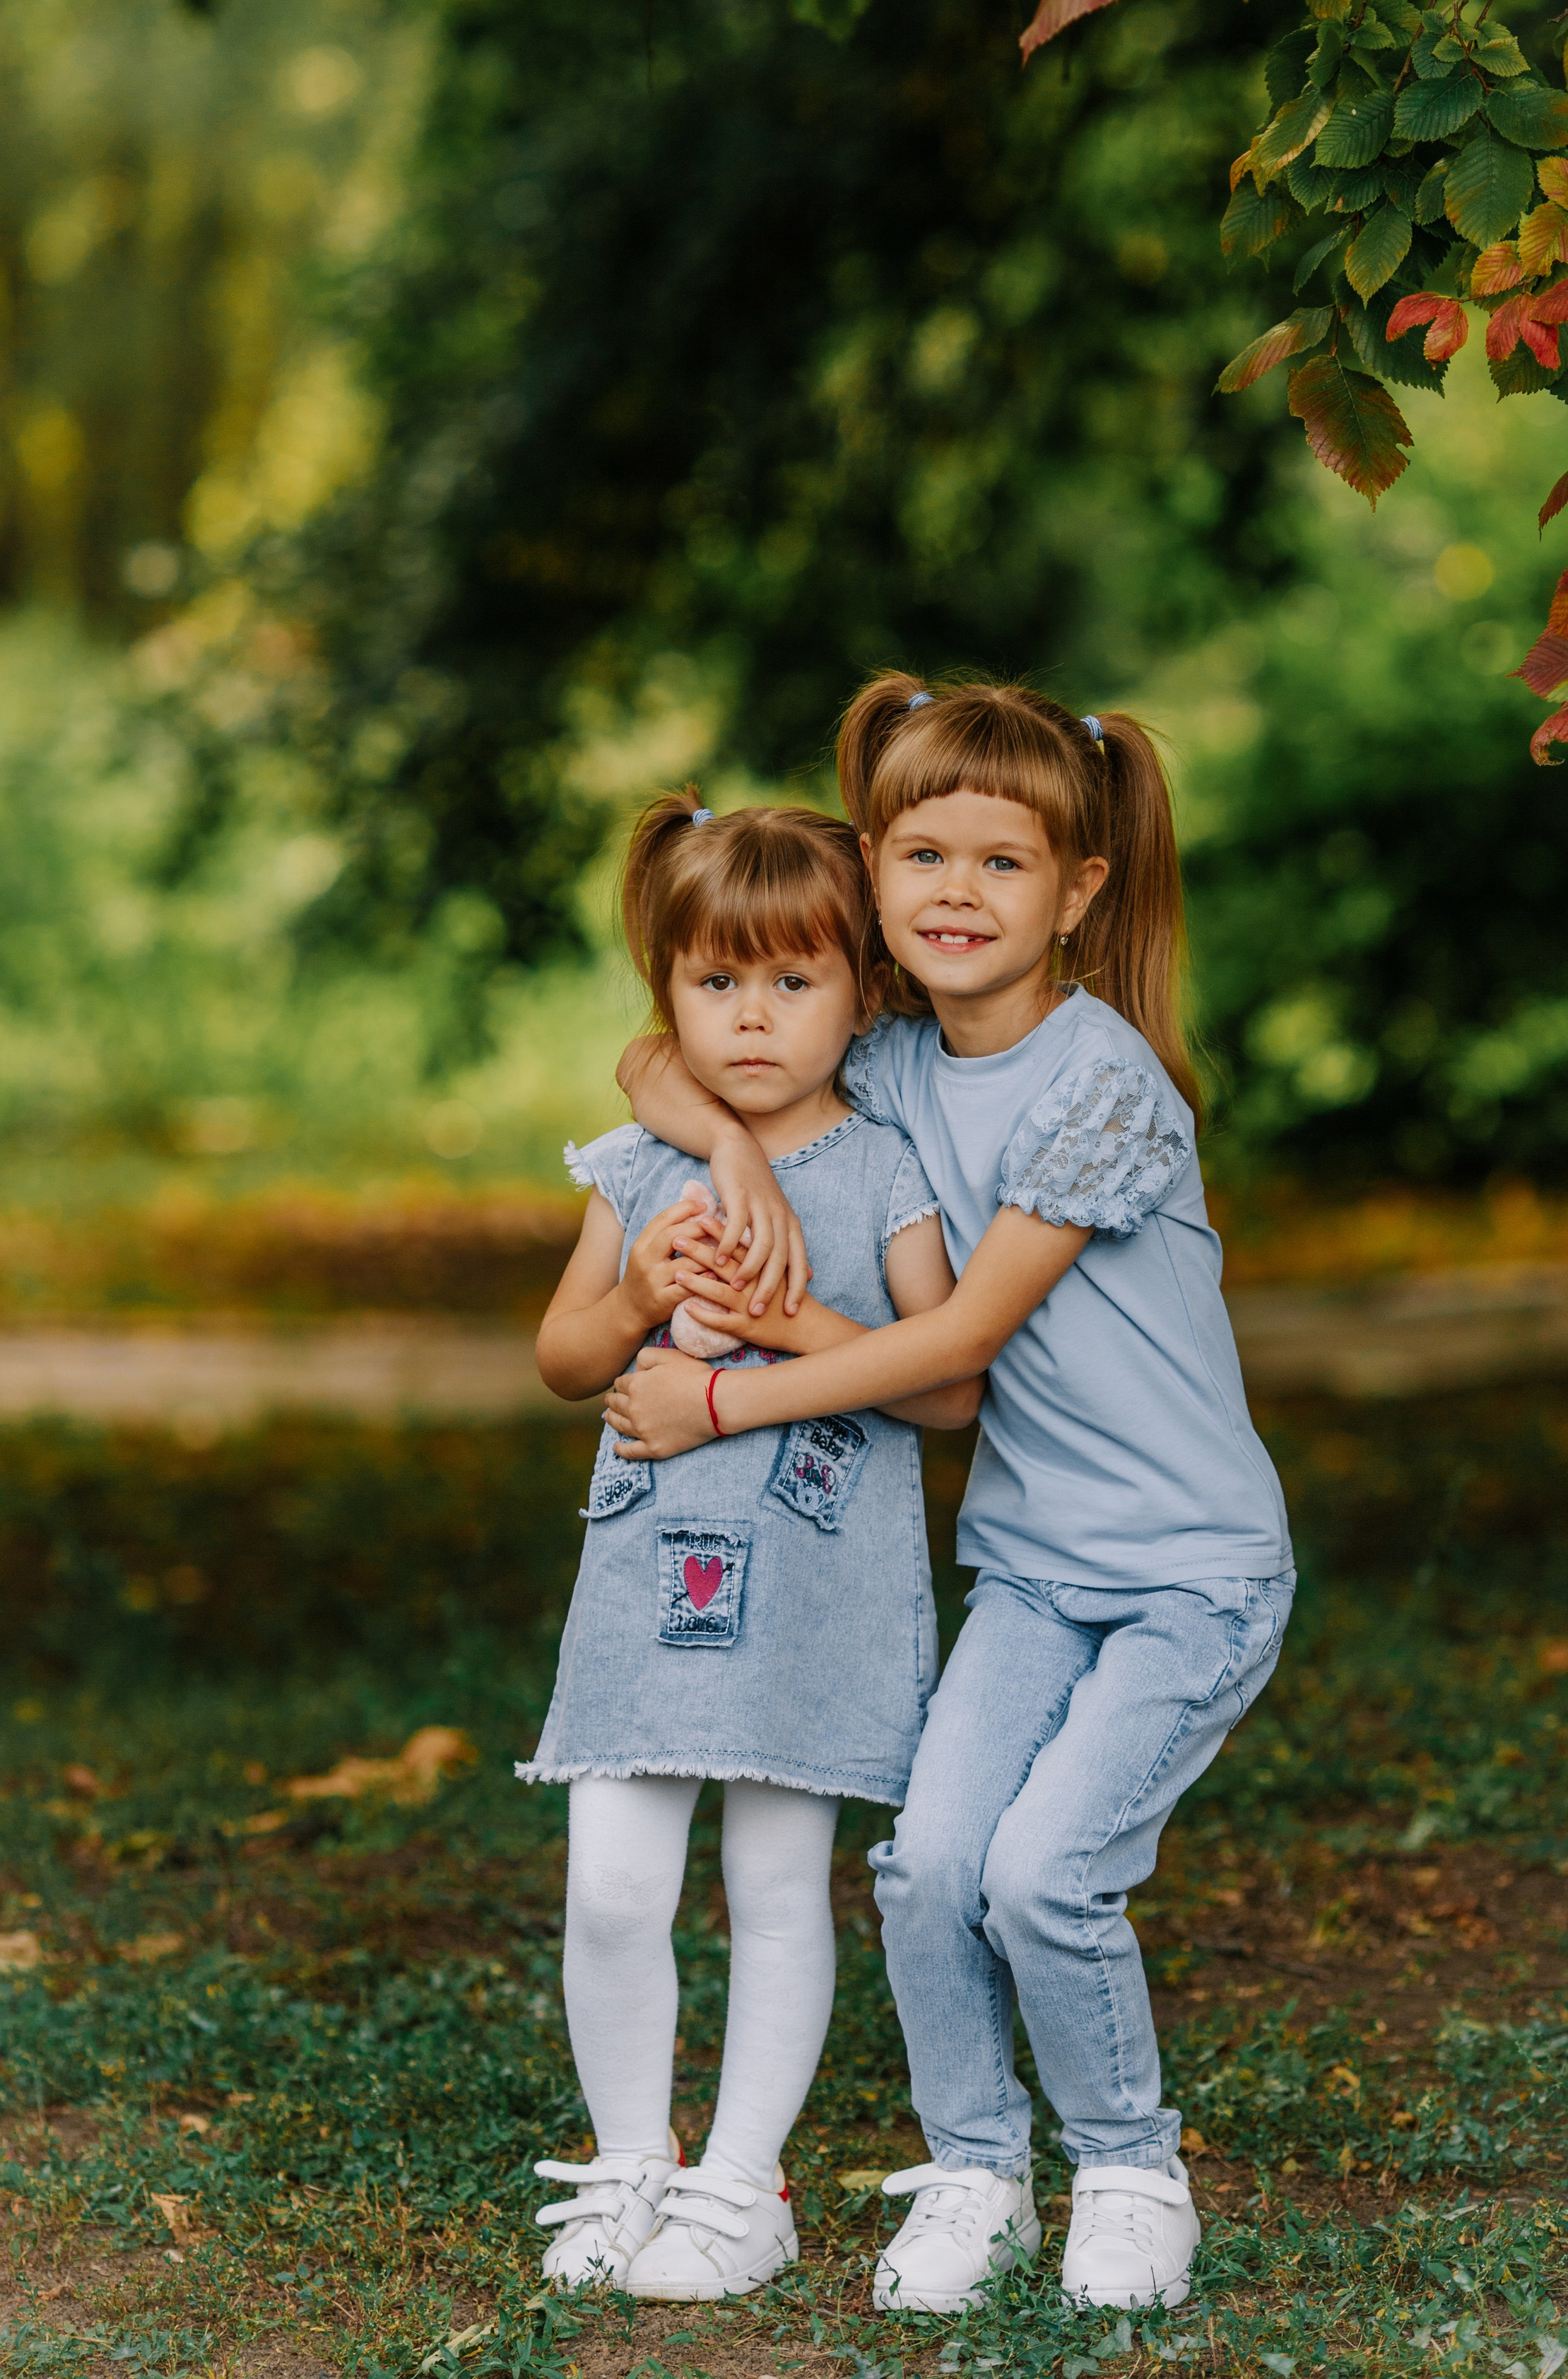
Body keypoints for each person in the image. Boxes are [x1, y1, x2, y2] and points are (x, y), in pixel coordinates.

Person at [606, 677, 1295, 2317]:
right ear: (871, 867)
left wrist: (725, 1390)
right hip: (1035, 1573)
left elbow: (963, 1341)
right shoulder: (892, 1059)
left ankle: (1126, 2169)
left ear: (1079, 891)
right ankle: (976, 2169)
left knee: (1042, 1871)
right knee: (925, 1867)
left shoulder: (1098, 1077)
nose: (957, 895)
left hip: (1190, 1573)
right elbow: (655, 1049)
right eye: (923, 855)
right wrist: (741, 1158)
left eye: (1004, 864)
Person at [524, 789, 984, 2305]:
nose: (751, 1018)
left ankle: (741, 2182)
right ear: (665, 989)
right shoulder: (639, 1170)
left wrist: (788, 1323)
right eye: (714, 983)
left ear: (861, 993)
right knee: (609, 1884)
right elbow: (559, 1356)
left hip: (818, 1593)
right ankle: (624, 2163)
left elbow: (944, 1382)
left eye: (793, 982)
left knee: (778, 1887)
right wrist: (637, 1284)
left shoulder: (884, 1167)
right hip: (644, 1590)